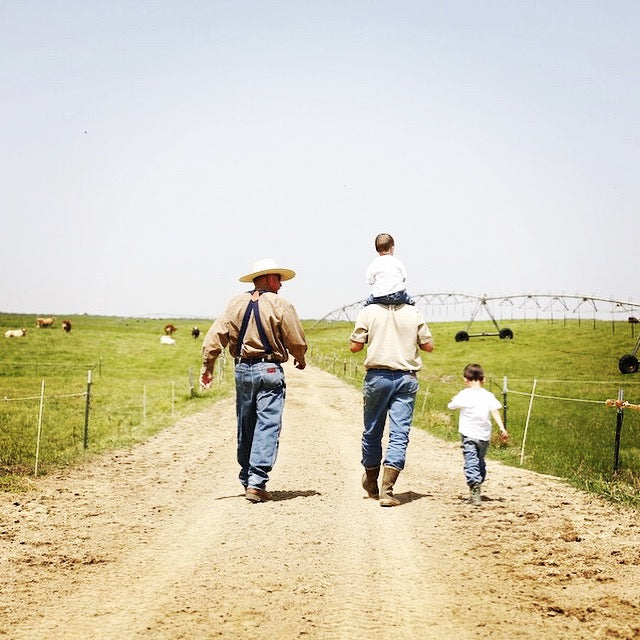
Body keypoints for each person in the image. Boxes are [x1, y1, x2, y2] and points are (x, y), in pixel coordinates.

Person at [200, 258, 307, 503]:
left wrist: (208, 366)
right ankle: (257, 482)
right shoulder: (281, 304)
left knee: (245, 424)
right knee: (268, 424)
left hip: (242, 370)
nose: (281, 285)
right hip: (270, 368)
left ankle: (247, 477)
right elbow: (296, 339)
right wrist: (299, 357)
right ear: (269, 278)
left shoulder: (235, 303)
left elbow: (215, 336)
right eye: (278, 279)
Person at [349, 299, 434, 506]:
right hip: (406, 378)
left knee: (372, 431)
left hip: (377, 378)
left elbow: (355, 347)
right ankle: (387, 491)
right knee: (399, 433)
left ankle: (371, 483)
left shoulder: (367, 312)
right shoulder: (414, 312)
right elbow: (428, 346)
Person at [447, 363, 509, 507]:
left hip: (469, 435)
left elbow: (451, 405)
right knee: (479, 460)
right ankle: (477, 482)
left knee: (471, 461)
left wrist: (454, 400)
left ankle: (474, 488)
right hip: (484, 436)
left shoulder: (464, 394)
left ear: (465, 379)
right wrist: (502, 427)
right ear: (483, 379)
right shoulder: (488, 395)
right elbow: (495, 411)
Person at [364, 232, 414, 306]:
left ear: (377, 250)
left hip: (379, 296)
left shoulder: (373, 264)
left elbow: (370, 281)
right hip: (398, 296)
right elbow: (404, 278)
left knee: (365, 306)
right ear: (392, 248)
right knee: (412, 302)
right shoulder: (398, 262)